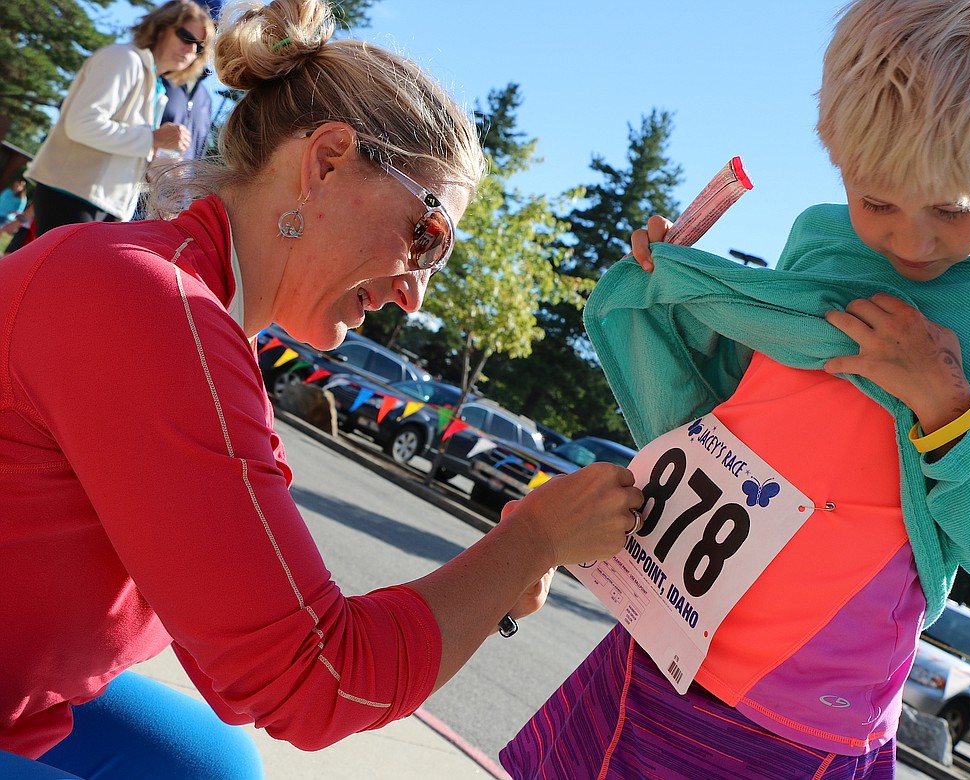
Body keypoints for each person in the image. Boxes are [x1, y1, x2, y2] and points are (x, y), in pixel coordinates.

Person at [0, 0, 643, 777]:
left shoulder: (187, 310)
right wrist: (530, 541)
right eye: (428, 235)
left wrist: (504, 577)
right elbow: (312, 681)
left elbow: (246, 664)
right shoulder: (150, 304)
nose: (417, 296)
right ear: (327, 161)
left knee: (212, 763)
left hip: (27, 694)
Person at [501, 1, 970, 778]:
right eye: (877, 201)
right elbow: (724, 421)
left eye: (953, 208)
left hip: (796, 724)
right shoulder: (819, 236)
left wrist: (947, 407)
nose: (909, 242)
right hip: (659, 646)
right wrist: (674, 300)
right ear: (834, 146)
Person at [23, 0, 213, 234]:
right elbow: (81, 124)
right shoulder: (123, 59)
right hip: (74, 194)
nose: (191, 50)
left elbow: (125, 146)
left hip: (104, 203)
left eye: (199, 47)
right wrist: (153, 138)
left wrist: (161, 163)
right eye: (186, 37)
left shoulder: (155, 84)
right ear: (161, 27)